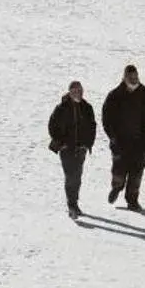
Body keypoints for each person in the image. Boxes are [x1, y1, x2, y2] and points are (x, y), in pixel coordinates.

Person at [101, 64, 145, 210]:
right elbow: (107, 119)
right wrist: (113, 137)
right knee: (119, 170)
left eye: (135, 77)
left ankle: (132, 201)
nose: (133, 79)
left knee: (136, 174)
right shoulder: (115, 95)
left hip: (140, 143)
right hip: (120, 142)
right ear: (124, 77)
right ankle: (117, 187)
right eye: (130, 77)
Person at [48, 78, 96, 219]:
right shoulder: (61, 108)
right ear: (69, 92)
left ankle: (74, 203)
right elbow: (52, 126)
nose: (77, 93)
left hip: (81, 148)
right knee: (71, 176)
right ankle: (71, 206)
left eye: (79, 90)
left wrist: (88, 144)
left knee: (77, 177)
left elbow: (92, 127)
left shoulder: (87, 107)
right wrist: (60, 142)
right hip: (66, 148)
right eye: (74, 91)